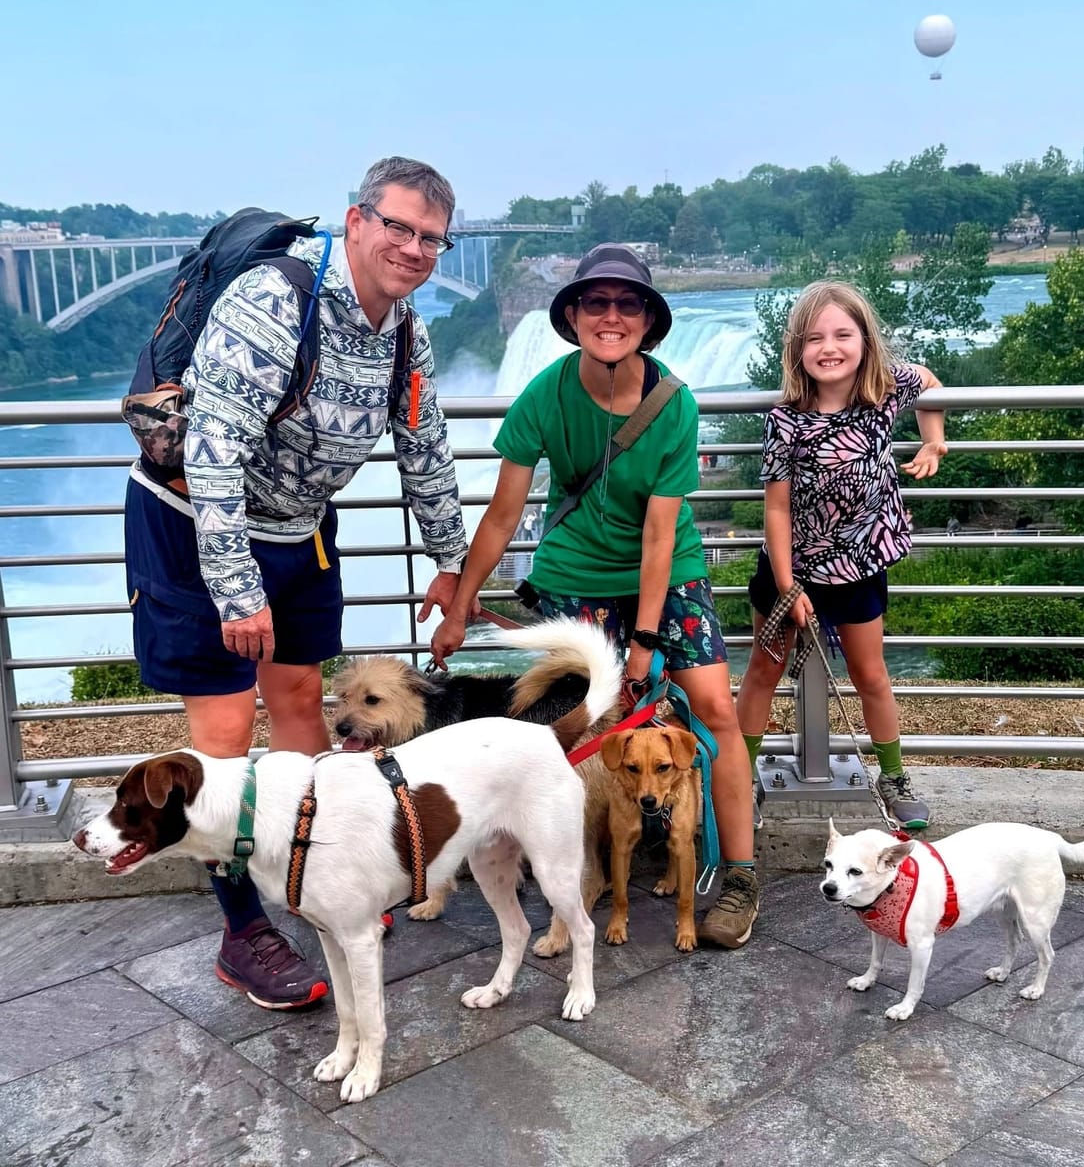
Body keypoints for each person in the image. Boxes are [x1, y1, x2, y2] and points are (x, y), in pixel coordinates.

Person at [123, 156, 472, 1008]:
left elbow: (424, 449)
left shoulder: (406, 334)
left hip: (301, 532)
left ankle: (319, 878)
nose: (414, 249)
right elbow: (212, 454)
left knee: (303, 719)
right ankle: (244, 934)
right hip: (191, 526)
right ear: (355, 222)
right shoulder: (277, 301)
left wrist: (451, 563)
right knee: (223, 739)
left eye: (431, 237)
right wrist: (237, 591)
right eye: (397, 226)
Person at [430, 244, 760, 947]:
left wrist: (642, 646)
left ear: (648, 320)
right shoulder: (545, 396)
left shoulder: (673, 404)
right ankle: (575, 870)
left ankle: (739, 876)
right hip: (576, 573)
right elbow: (500, 515)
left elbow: (658, 540)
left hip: (668, 577)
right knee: (573, 724)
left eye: (627, 304)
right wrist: (459, 609)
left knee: (713, 712)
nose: (611, 316)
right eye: (596, 303)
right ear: (574, 315)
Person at [734, 281, 946, 830]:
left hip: (858, 569)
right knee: (763, 670)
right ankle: (738, 777)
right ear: (797, 351)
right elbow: (776, 509)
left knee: (870, 674)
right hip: (789, 568)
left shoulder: (883, 393)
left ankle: (894, 776)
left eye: (842, 335)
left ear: (865, 341)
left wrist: (934, 439)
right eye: (814, 338)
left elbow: (928, 381)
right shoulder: (786, 420)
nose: (829, 347)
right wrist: (788, 585)